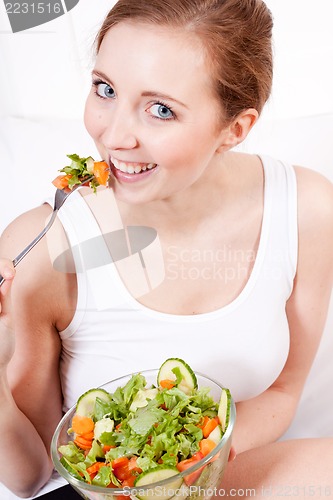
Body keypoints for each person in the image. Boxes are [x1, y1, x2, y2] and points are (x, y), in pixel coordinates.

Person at [1, 0, 333, 498]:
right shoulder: (45, 247)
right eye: (105, 89)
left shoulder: (305, 208)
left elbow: (285, 389)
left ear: (235, 128)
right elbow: (30, 476)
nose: (113, 136)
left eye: (161, 110)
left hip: (221, 477)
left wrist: (187, 472)